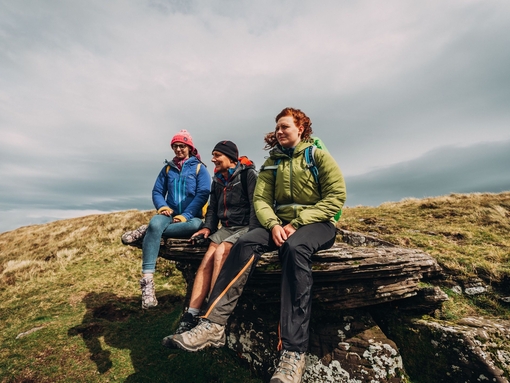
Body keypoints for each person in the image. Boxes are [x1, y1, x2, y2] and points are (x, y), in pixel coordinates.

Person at [168, 108, 346, 383]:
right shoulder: (272, 163)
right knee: (246, 241)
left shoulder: (317, 156)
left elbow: (336, 196)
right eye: (277, 128)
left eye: (285, 126)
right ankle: (214, 324)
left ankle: (293, 352)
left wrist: (298, 223)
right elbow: (261, 201)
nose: (279, 132)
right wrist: (273, 224)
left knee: (295, 249)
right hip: (280, 225)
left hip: (318, 223)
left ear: (301, 128)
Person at [161, 140, 258, 341]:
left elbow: (257, 205)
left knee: (222, 251)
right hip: (227, 227)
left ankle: (211, 318)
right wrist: (207, 228)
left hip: (247, 226)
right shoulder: (218, 180)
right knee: (207, 259)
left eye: (217, 155)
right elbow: (212, 209)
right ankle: (191, 314)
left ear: (230, 157)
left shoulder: (248, 175)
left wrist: (253, 234)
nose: (213, 159)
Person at [122, 130, 210, 309]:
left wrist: (185, 216)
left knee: (194, 226)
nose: (178, 149)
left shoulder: (200, 168)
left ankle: (148, 230)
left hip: (191, 217)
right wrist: (162, 207)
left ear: (190, 147)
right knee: (156, 223)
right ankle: (147, 283)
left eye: (182, 146)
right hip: (167, 215)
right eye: (175, 146)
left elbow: (203, 194)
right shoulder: (168, 168)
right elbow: (157, 191)